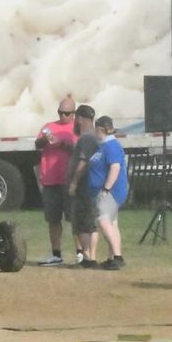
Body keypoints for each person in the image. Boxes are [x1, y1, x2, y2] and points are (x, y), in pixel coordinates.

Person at [35, 96, 78, 266]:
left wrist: (61, 144)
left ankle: (81, 253)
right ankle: (56, 254)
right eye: (60, 112)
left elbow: (79, 151)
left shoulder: (77, 129)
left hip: (69, 179)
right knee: (53, 219)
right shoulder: (48, 127)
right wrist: (45, 140)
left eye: (66, 113)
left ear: (73, 113)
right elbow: (37, 144)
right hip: (50, 180)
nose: (62, 116)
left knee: (73, 218)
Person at [85, 116, 129, 270]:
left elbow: (115, 168)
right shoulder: (104, 145)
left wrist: (106, 188)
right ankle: (112, 258)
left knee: (104, 221)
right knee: (112, 223)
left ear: (99, 130)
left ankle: (118, 256)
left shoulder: (111, 146)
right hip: (104, 190)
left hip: (110, 191)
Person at [67, 104, 101, 268]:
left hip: (84, 187)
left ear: (79, 118)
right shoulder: (94, 136)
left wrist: (74, 183)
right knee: (91, 224)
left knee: (81, 224)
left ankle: (88, 258)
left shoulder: (86, 138)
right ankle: (91, 257)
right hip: (91, 186)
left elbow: (83, 162)